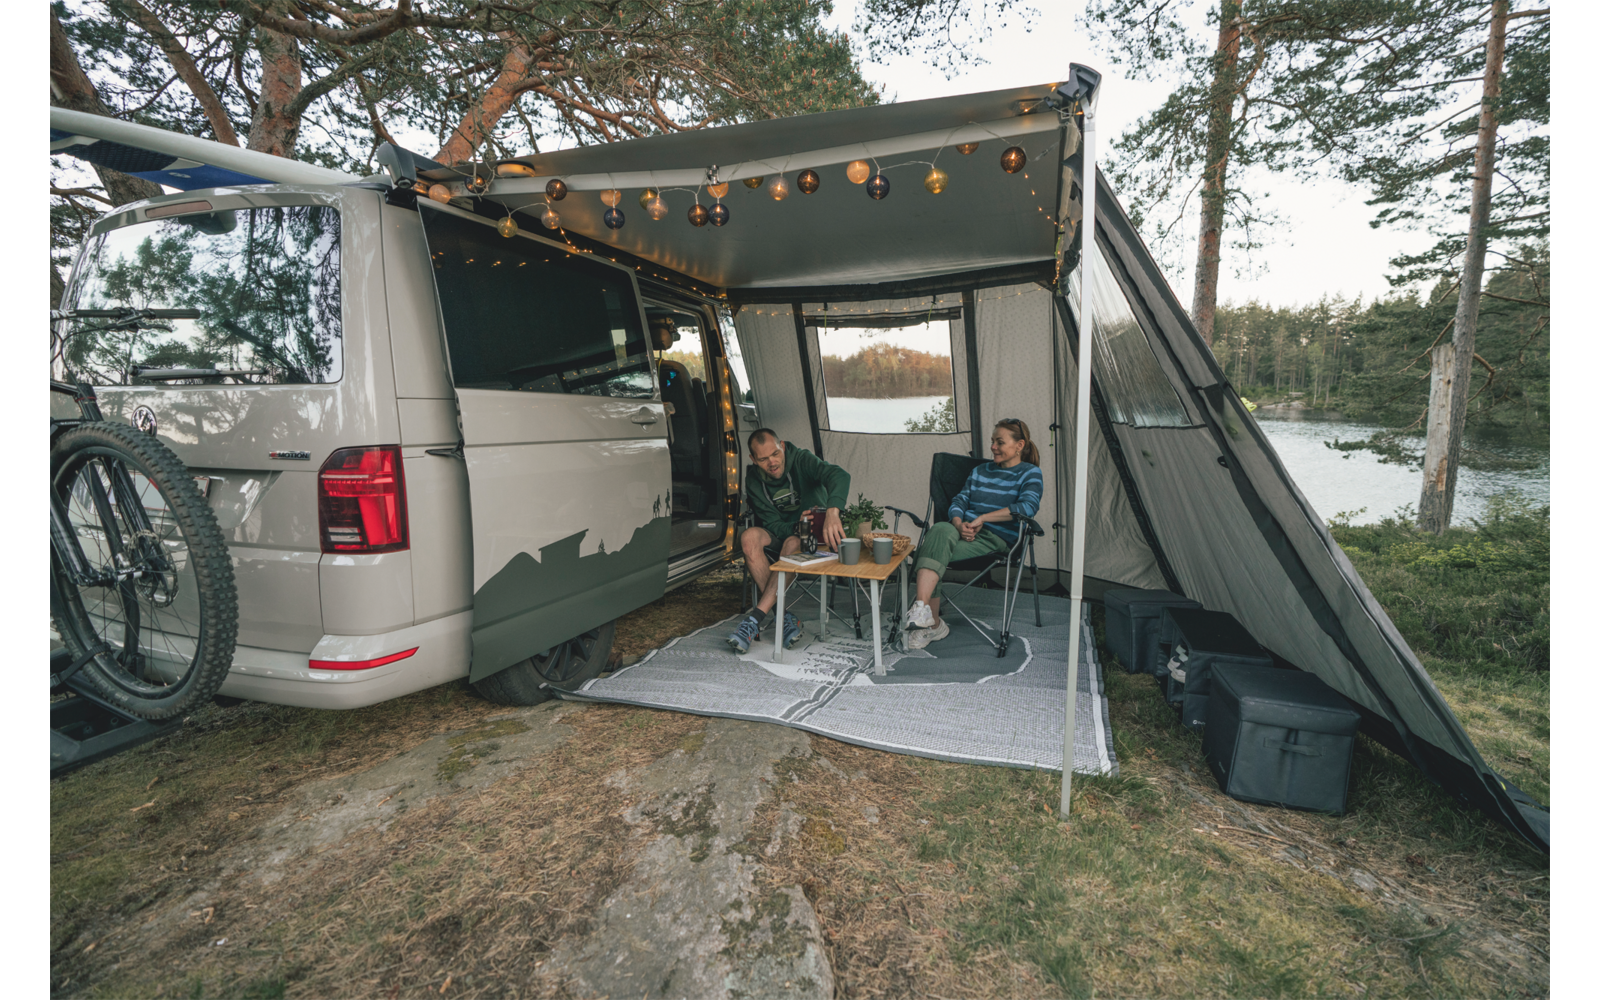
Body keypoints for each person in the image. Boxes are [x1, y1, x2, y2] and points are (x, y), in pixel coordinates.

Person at [902, 418, 1043, 649]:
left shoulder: (1030, 473)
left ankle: (931, 622)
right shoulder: (979, 471)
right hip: (961, 531)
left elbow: (1027, 507)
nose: (993, 447)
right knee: (939, 528)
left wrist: (983, 518)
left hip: (996, 538)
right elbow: (960, 500)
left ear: (1020, 445)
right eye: (992, 441)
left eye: (1000, 442)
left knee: (932, 550)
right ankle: (924, 612)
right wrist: (958, 524)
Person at [729, 429, 851, 653]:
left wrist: (833, 511)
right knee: (748, 538)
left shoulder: (802, 460)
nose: (772, 462)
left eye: (775, 454)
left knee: (793, 543)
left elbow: (840, 475)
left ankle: (754, 619)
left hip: (813, 540)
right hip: (785, 533)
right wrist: (796, 525)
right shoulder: (754, 479)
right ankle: (784, 617)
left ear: (782, 446)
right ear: (753, 459)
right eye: (764, 459)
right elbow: (772, 523)